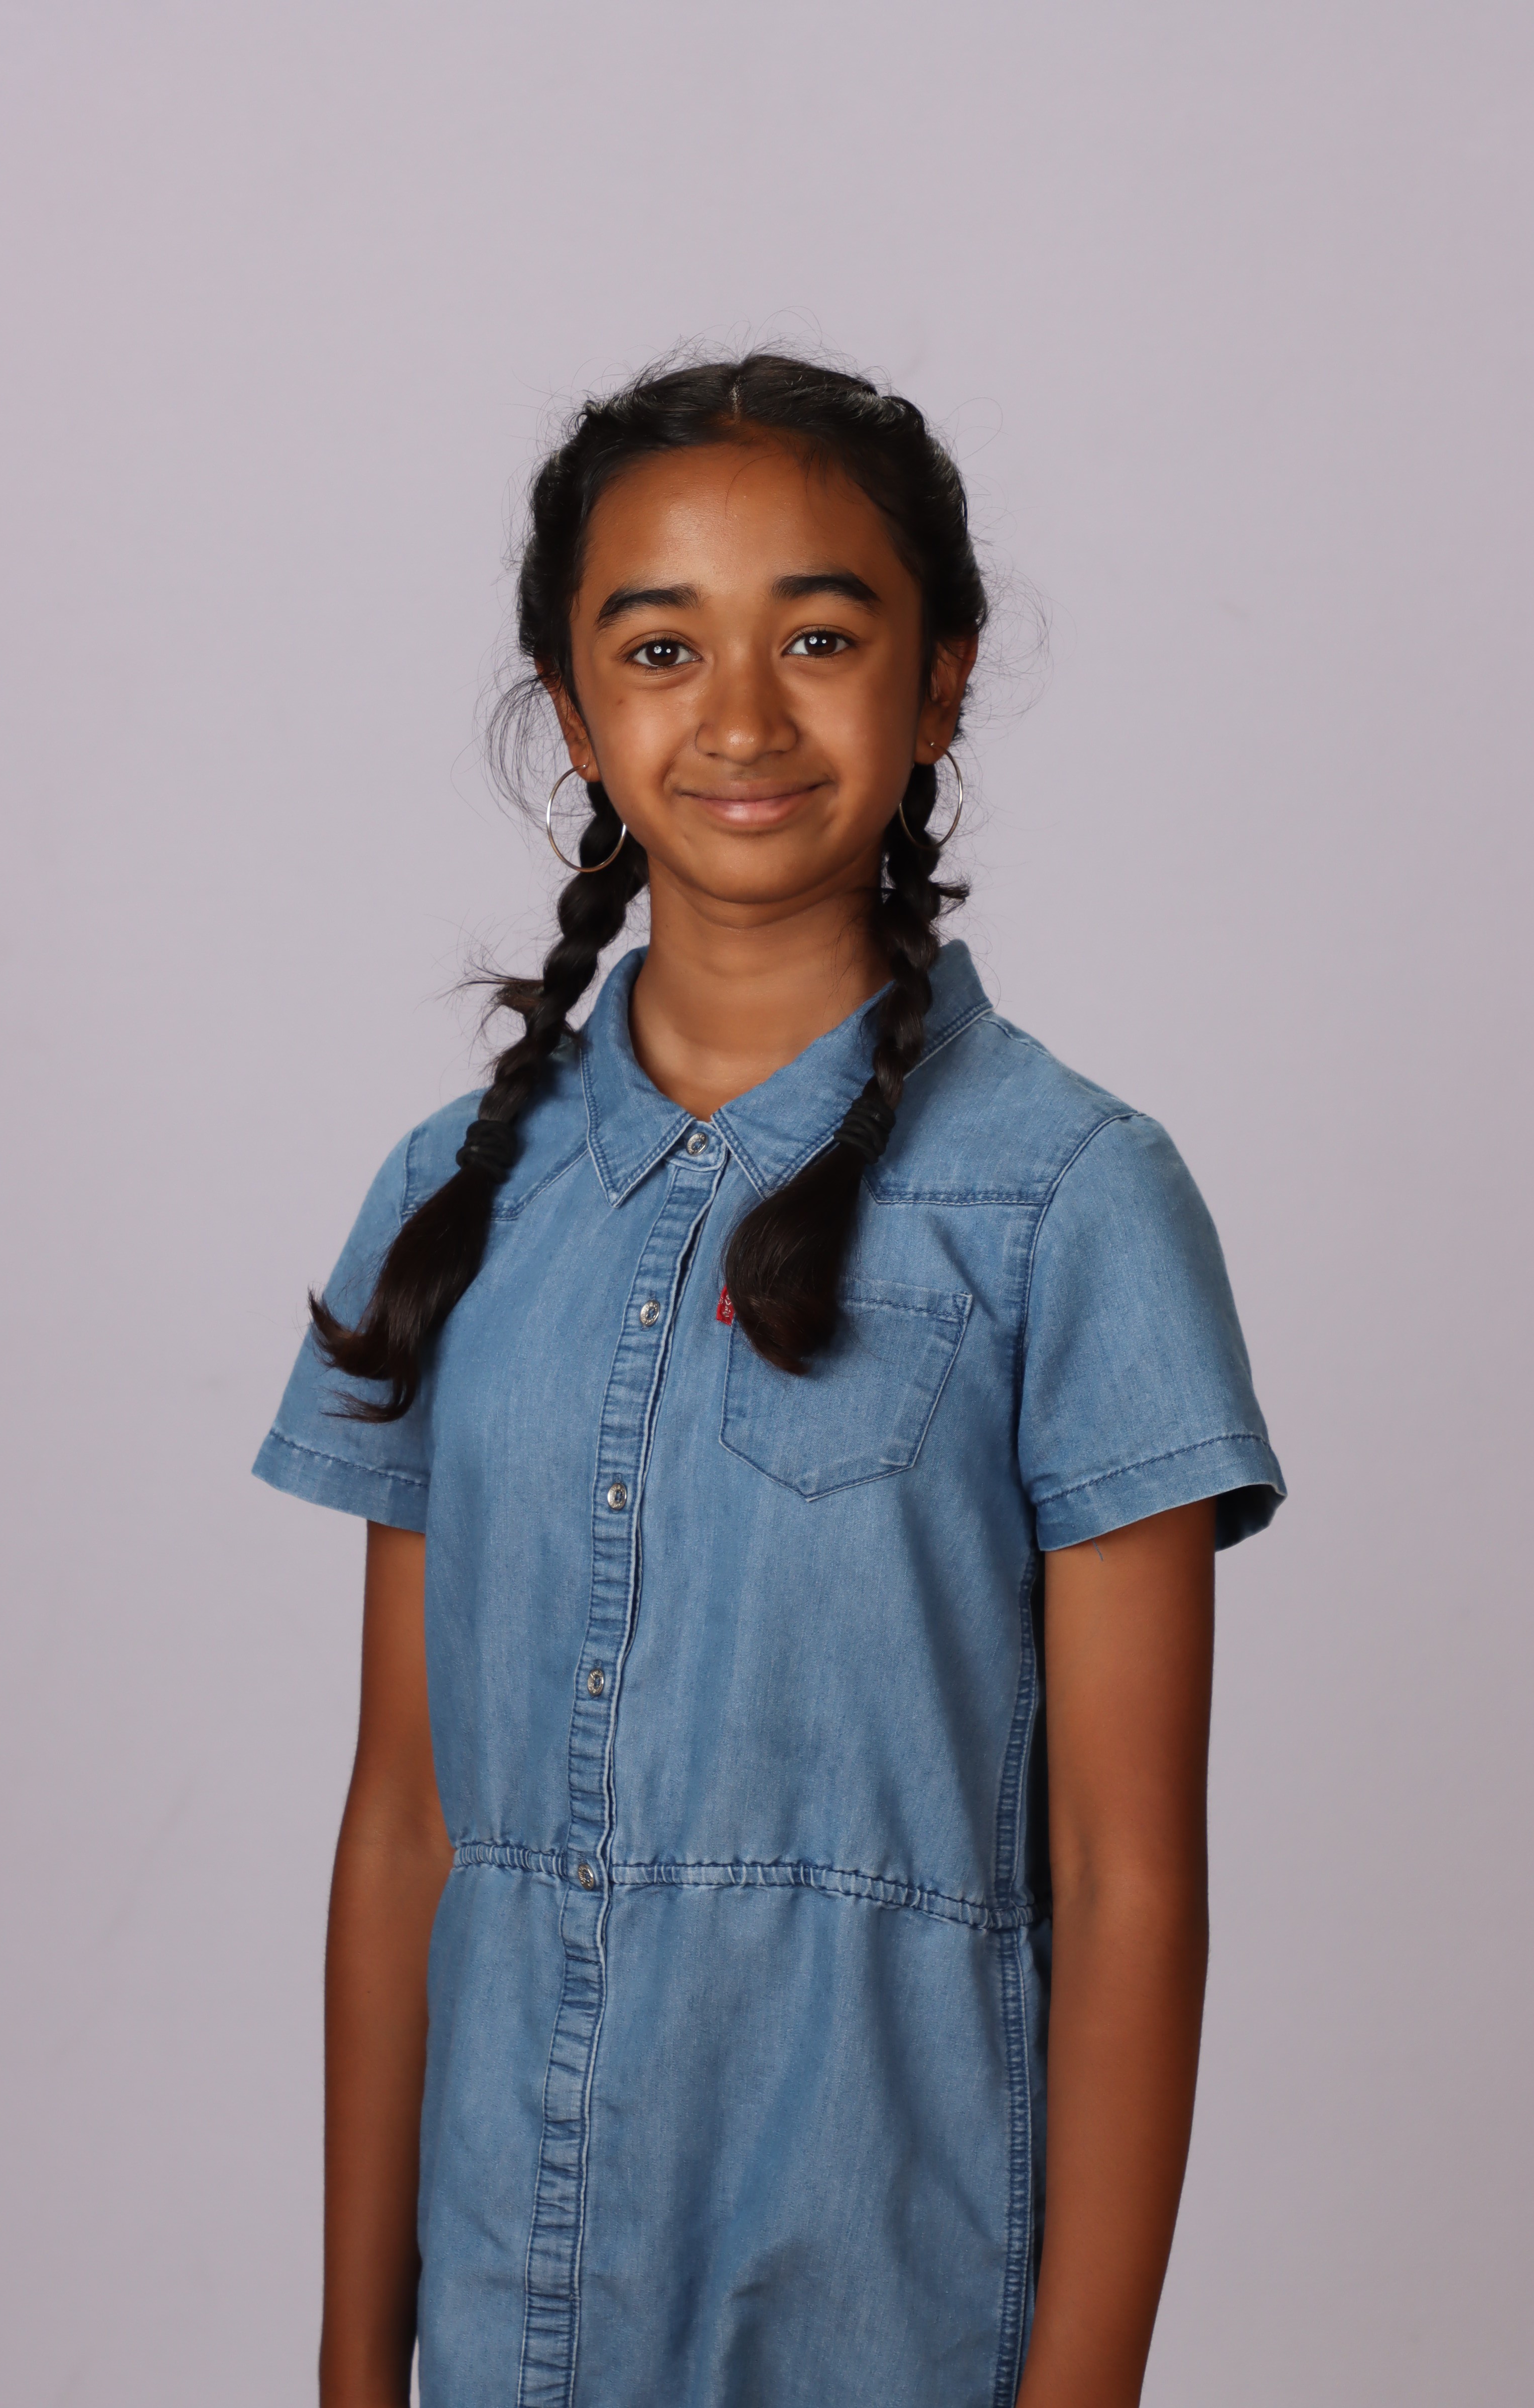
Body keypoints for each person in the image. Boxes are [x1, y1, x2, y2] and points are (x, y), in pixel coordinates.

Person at [254, 351, 1284, 2408]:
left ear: (941, 682)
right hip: (514, 2316)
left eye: (818, 635)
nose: (738, 716)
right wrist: (358, 2369)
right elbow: (406, 1826)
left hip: (895, 2312)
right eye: (660, 648)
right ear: (572, 714)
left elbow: (1128, 1882)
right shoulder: (452, 1200)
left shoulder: (1073, 1201)